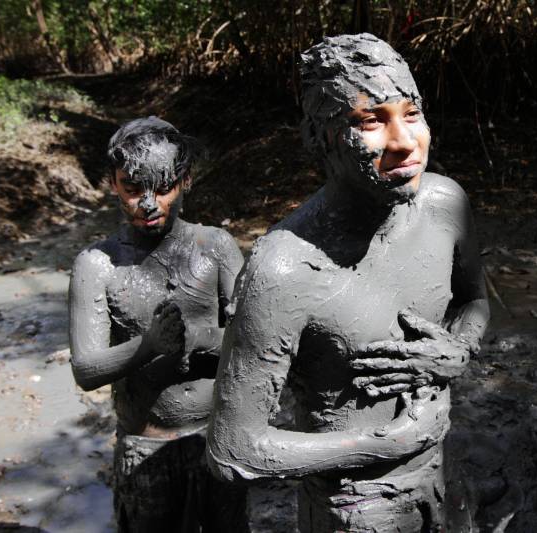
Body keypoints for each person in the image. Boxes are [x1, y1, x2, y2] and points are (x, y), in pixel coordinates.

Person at [206, 33, 489, 532]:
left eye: (412, 113)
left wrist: (458, 350)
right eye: (371, 121)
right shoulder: (283, 268)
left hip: (444, 485)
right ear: (321, 138)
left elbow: (476, 302)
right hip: (354, 511)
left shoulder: (445, 205)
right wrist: (381, 444)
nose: (404, 141)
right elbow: (232, 449)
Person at [68, 116, 247, 532]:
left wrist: (202, 337)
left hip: (216, 441)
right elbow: (85, 370)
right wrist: (147, 346)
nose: (148, 204)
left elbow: (256, 341)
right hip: (144, 448)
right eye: (132, 189)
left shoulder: (215, 246)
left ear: (185, 181)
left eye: (163, 189)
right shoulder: (97, 265)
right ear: (113, 183)